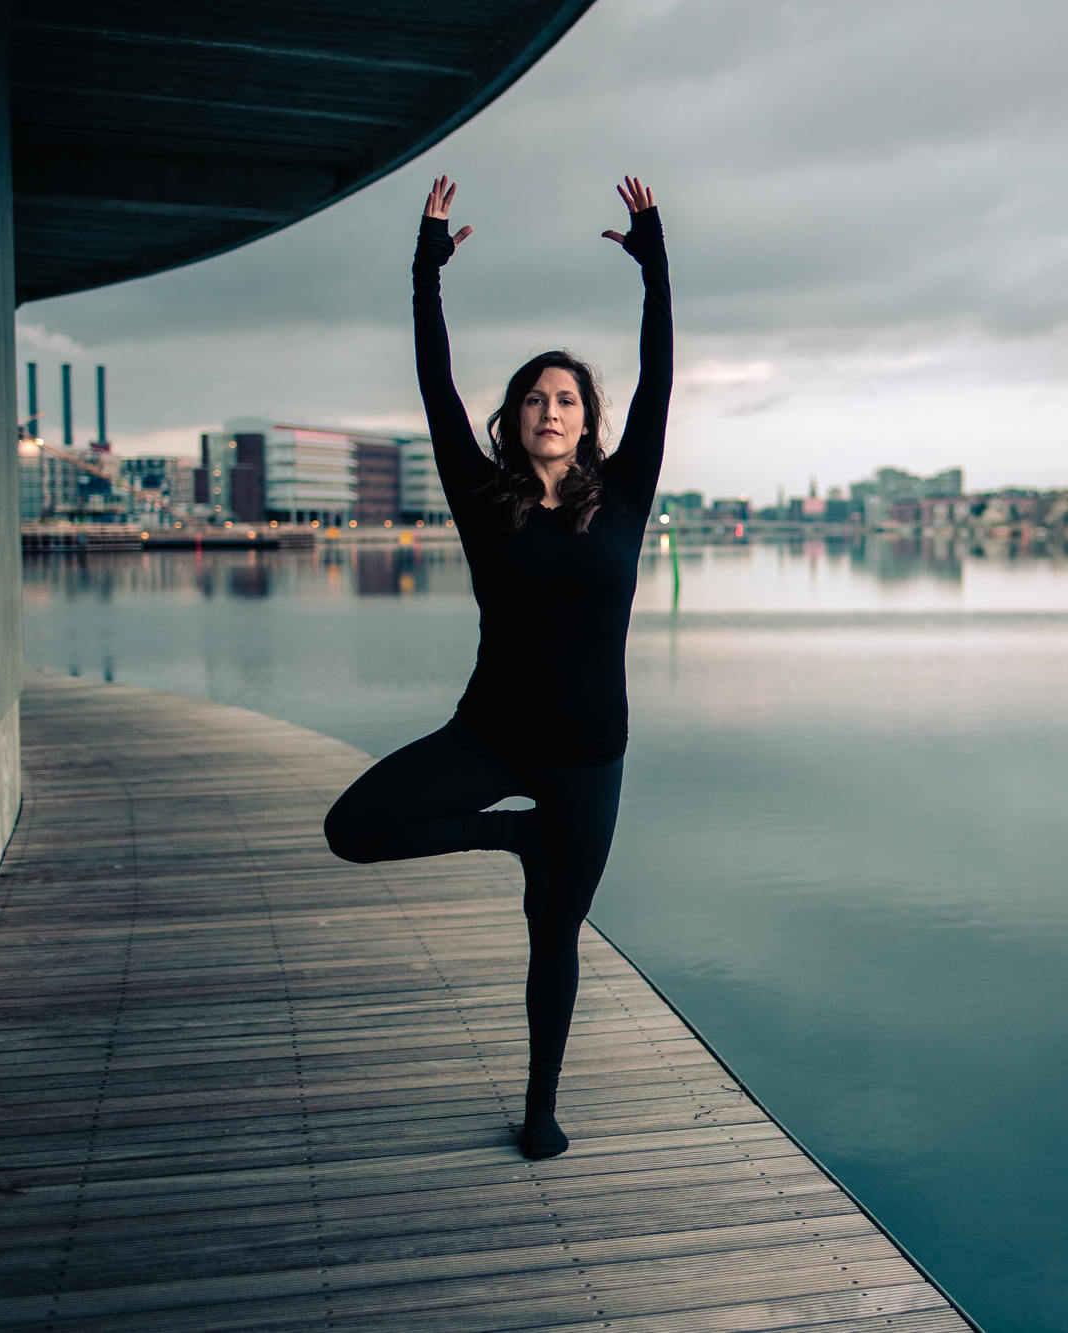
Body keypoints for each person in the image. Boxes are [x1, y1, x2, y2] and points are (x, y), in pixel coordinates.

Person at [324, 173, 671, 1160]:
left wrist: (654, 266)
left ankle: (539, 1110)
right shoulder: (484, 498)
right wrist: (426, 269)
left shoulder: (627, 496)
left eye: (564, 397)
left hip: (590, 759)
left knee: (554, 936)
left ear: (586, 418)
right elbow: (434, 385)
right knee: (352, 827)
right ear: (513, 418)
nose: (548, 408)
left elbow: (659, 377)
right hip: (490, 737)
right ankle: (504, 840)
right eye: (532, 397)